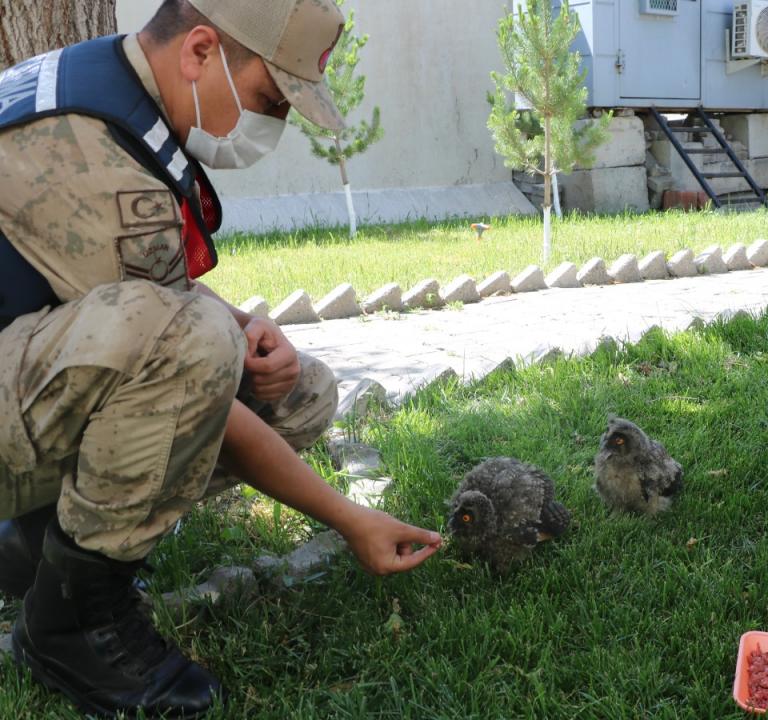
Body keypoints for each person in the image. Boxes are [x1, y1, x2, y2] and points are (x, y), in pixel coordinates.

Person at [0, 0, 442, 715]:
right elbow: (169, 348)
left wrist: (237, 328)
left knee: (296, 391)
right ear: (201, 51)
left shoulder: (108, 84)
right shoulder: (83, 144)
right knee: (197, 343)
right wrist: (348, 517)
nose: (277, 124)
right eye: (272, 99)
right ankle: (71, 621)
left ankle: (37, 548)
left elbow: (113, 292)